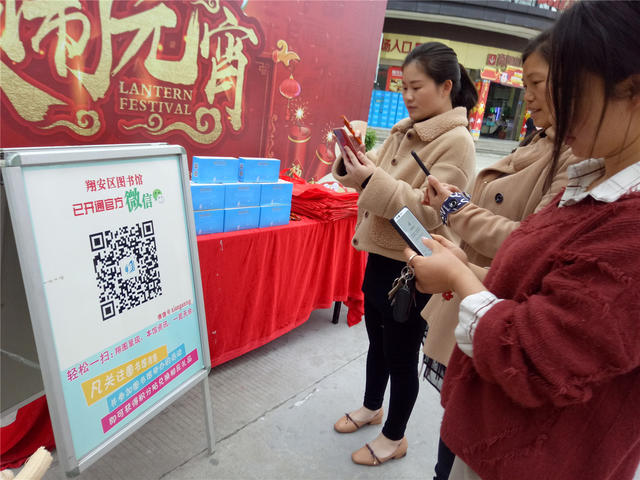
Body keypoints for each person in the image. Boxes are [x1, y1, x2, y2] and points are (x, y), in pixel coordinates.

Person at [406, 2, 640, 479]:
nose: (546, 101)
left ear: (631, 88)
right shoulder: (592, 177)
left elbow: (536, 354)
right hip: (496, 428)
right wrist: (465, 269)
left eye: (565, 87)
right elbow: (540, 284)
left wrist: (459, 275)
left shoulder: (624, 219)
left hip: (533, 457)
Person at [419, 29, 581, 480]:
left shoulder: (576, 156)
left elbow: (529, 242)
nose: (527, 95)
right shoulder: (538, 139)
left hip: (492, 302)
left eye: (537, 83)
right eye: (525, 84)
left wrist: (454, 213)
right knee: (454, 431)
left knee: (464, 441)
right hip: (472, 288)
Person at [330, 42, 477, 466]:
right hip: (381, 252)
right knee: (377, 343)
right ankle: (372, 406)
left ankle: (394, 436)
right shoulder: (403, 129)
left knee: (401, 354)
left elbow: (431, 212)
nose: (408, 96)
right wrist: (354, 161)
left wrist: (370, 178)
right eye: (403, 88)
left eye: (417, 87)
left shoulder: (457, 142)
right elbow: (373, 172)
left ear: (446, 86)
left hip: (415, 266)